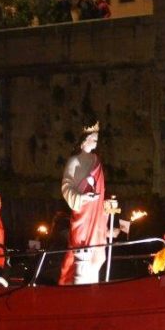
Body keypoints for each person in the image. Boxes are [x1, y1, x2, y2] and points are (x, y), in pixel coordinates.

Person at [59, 122, 117, 285]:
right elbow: (66, 187)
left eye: (97, 139)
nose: (96, 142)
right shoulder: (74, 161)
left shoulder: (96, 160)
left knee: (96, 252)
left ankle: (92, 287)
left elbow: (100, 189)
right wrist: (82, 197)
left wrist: (105, 204)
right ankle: (73, 284)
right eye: (93, 139)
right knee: (80, 247)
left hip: (96, 213)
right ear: (84, 140)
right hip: (82, 213)